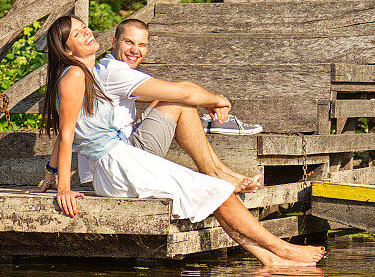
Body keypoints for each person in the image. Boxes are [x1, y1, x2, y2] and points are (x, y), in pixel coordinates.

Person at [36, 15, 324, 266]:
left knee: (212, 192)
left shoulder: (87, 75)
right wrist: (63, 187)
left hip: (118, 165)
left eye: (84, 27)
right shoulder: (75, 74)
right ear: (66, 47)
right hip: (118, 165)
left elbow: (64, 132)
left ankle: (269, 258)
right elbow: (68, 133)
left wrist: (50, 173)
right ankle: (282, 248)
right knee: (217, 190)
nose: (86, 32)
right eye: (77, 33)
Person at [74, 18, 262, 191]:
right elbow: (185, 93)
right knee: (180, 102)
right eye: (129, 42)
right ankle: (215, 173)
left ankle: (223, 172)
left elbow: (176, 90)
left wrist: (203, 100)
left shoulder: (107, 68)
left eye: (142, 45)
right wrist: (217, 100)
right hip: (118, 161)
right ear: (114, 42)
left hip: (116, 151)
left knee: (168, 97)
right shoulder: (115, 72)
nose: (135, 50)